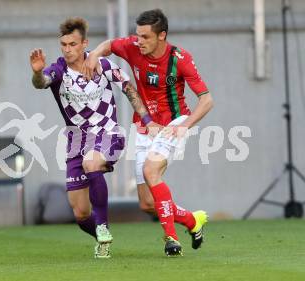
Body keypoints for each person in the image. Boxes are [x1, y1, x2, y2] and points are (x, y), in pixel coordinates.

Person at [83, 9, 214, 256]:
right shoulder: (133, 46)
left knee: (150, 169)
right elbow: (110, 44)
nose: (138, 41)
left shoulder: (180, 59)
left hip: (173, 122)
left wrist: (184, 126)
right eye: (137, 35)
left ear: (161, 35)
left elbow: (206, 100)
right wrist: (96, 54)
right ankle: (191, 221)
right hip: (143, 126)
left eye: (145, 37)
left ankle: (171, 240)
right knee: (146, 203)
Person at [30, 17, 155, 258]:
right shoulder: (58, 70)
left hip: (109, 135)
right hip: (77, 141)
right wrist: (37, 73)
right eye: (64, 44)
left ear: (84, 43)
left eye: (72, 44)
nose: (67, 49)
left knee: (92, 162)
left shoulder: (103, 65)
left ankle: (103, 226)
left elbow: (129, 88)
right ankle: (101, 238)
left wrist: (147, 120)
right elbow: (41, 82)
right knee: (80, 213)